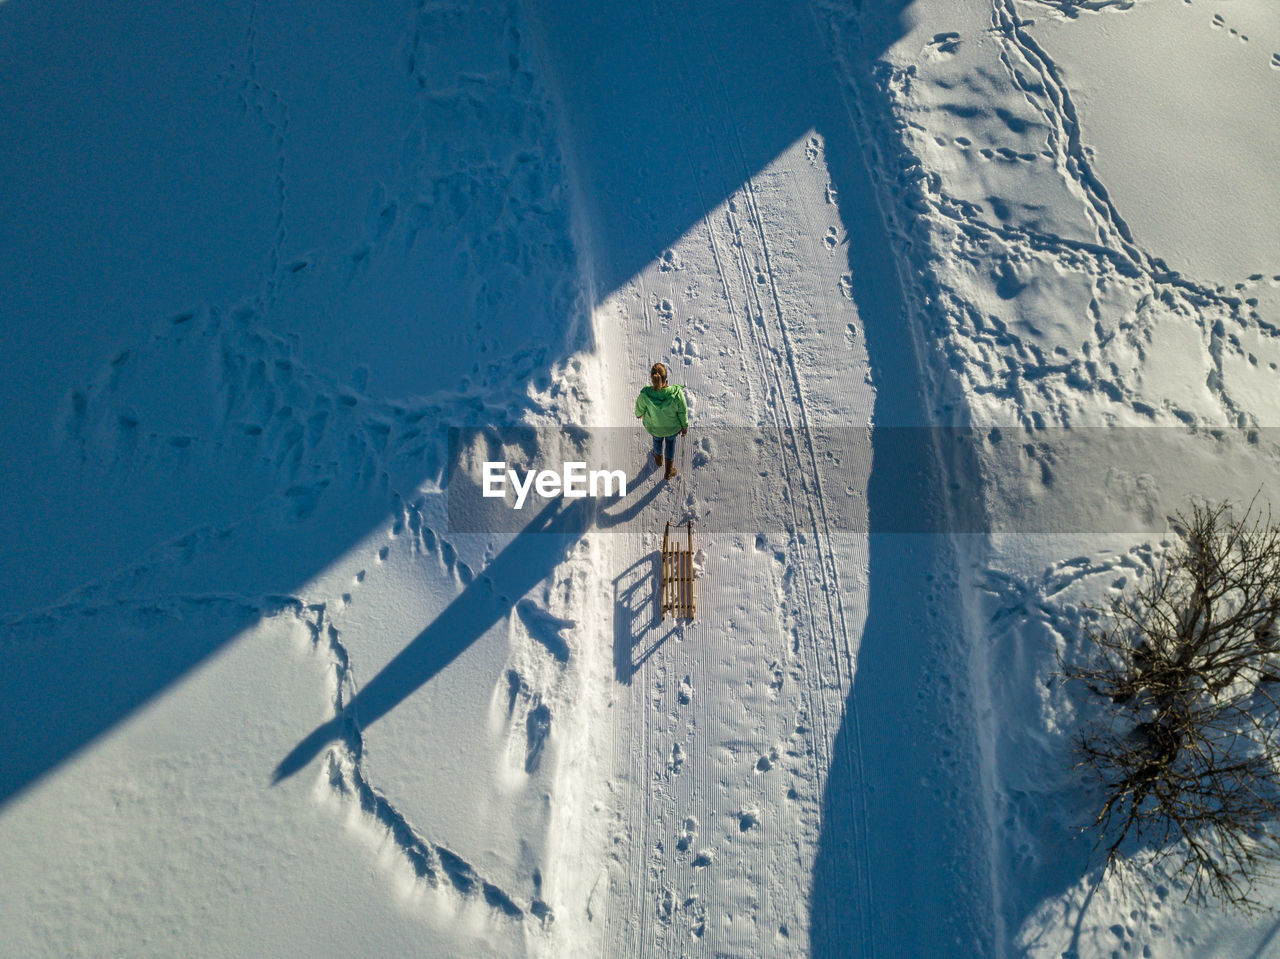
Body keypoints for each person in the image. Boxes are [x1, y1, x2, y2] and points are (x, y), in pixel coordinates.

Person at [634, 362, 688, 480]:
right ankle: (669, 471)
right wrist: (684, 426)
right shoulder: (676, 393)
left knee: (657, 441)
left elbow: (639, 410)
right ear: (665, 378)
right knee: (670, 444)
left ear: (652, 379)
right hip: (672, 429)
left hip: (655, 428)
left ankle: (658, 459)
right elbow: (682, 412)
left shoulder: (645, 394)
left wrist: (639, 415)